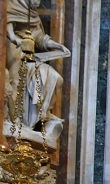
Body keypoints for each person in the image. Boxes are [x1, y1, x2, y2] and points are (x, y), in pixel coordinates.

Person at [5, 0, 69, 145]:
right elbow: (6, 22)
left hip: (30, 58)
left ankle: (40, 118)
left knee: (55, 77)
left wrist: (57, 46)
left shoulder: (31, 12)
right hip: (12, 48)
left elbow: (38, 36)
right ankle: (15, 119)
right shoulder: (14, 3)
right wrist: (14, 38)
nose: (38, 1)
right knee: (16, 77)